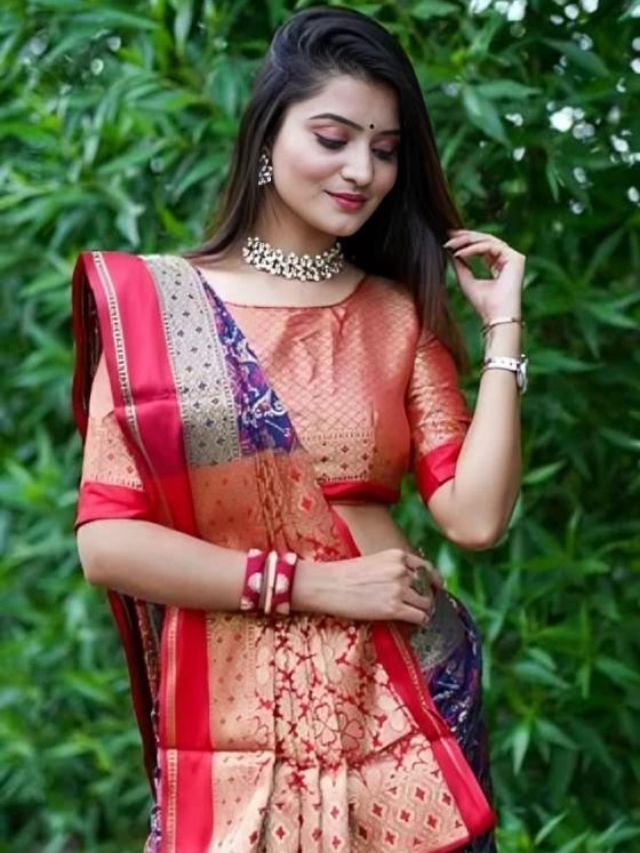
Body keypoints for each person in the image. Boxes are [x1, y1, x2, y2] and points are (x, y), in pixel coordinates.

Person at [71, 6, 525, 851]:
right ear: (267, 141)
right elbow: (107, 542)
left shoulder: (397, 312)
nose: (363, 169)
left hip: (399, 687)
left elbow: (475, 515)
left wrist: (504, 332)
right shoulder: (162, 309)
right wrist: (314, 585)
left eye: (385, 150)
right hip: (234, 700)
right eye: (333, 137)